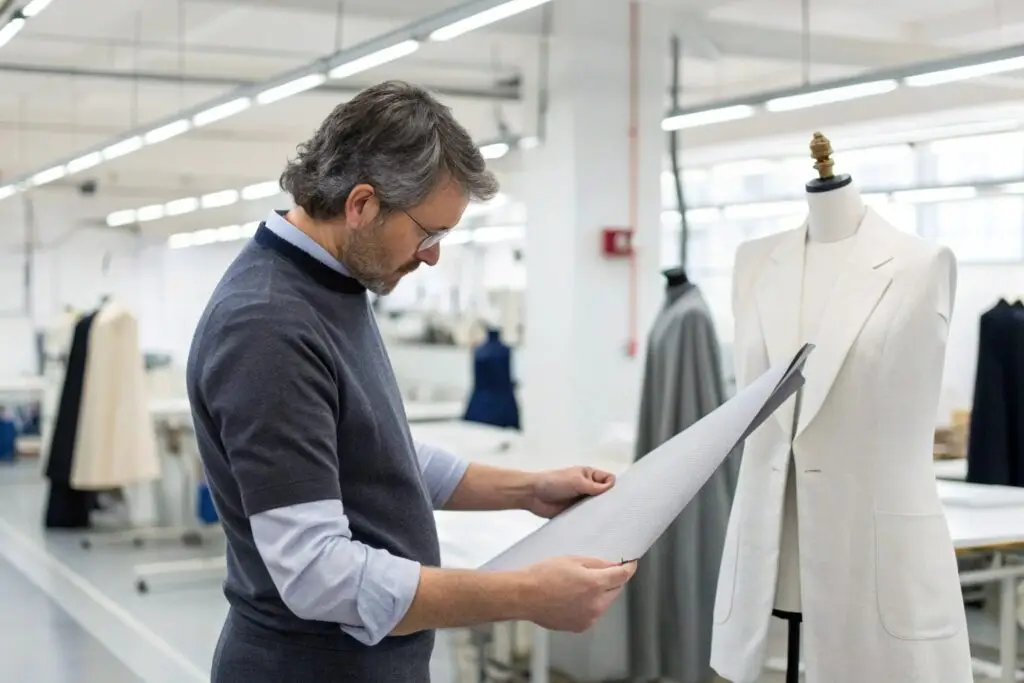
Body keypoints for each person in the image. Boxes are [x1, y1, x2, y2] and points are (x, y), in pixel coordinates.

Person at [186, 80, 636, 683]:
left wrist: (528, 489)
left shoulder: (333, 286)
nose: (432, 257)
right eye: (429, 234)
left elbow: (374, 446)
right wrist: (525, 593)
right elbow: (318, 575)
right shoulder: (268, 325)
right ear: (362, 204)